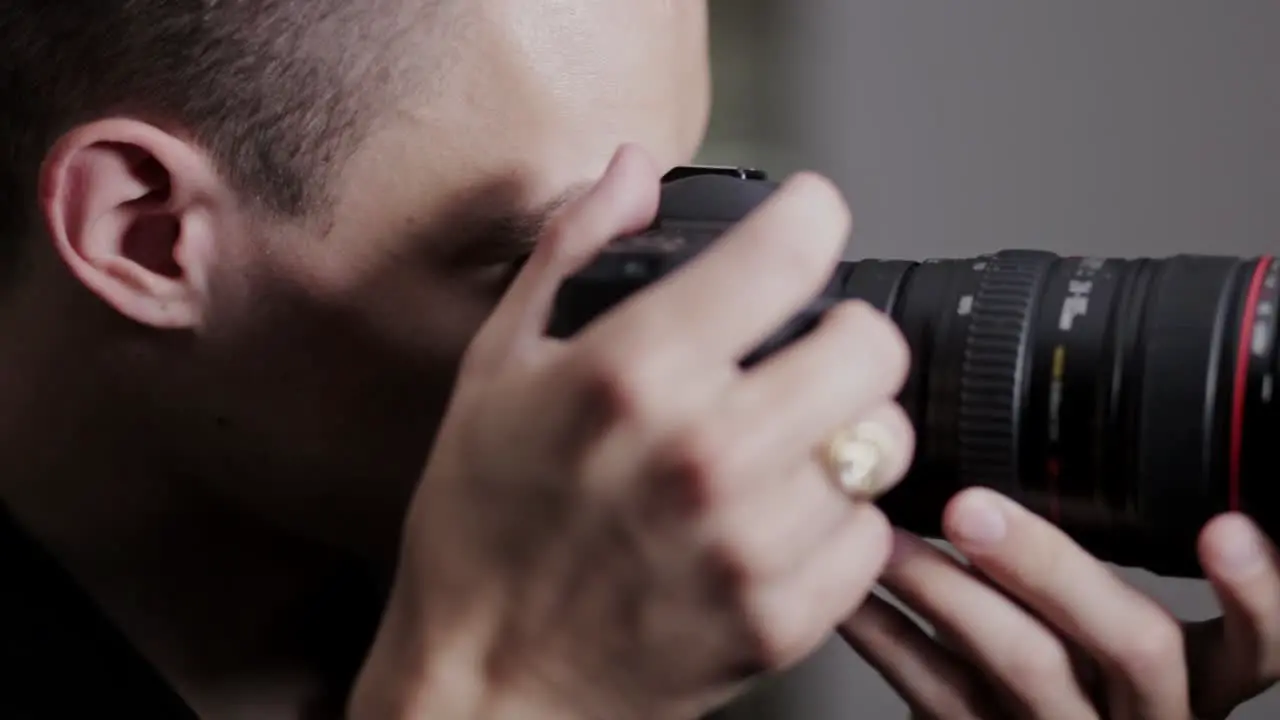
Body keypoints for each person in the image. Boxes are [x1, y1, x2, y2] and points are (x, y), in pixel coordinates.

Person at [0, 1, 1277, 718]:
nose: (690, 338)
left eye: (690, 205)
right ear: (148, 235)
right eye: (580, 262)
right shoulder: (567, 650)